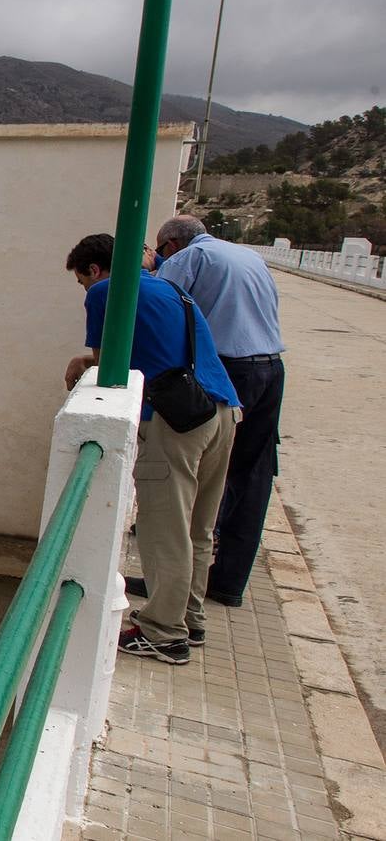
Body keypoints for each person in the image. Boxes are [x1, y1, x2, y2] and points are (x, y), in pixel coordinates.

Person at [64, 233, 241, 665]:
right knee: (199, 527)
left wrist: (80, 364)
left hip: (176, 423)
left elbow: (109, 365)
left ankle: (163, 633)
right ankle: (191, 620)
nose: (87, 291)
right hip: (222, 411)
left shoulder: (108, 290)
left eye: (82, 282)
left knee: (165, 529)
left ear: (93, 270)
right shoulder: (171, 287)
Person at [153, 215, 284, 607]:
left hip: (226, 370)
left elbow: (159, 310)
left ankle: (178, 587)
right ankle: (228, 583)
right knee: (252, 475)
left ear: (171, 245)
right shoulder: (247, 257)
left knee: (196, 474)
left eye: (161, 252)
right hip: (270, 369)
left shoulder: (186, 259)